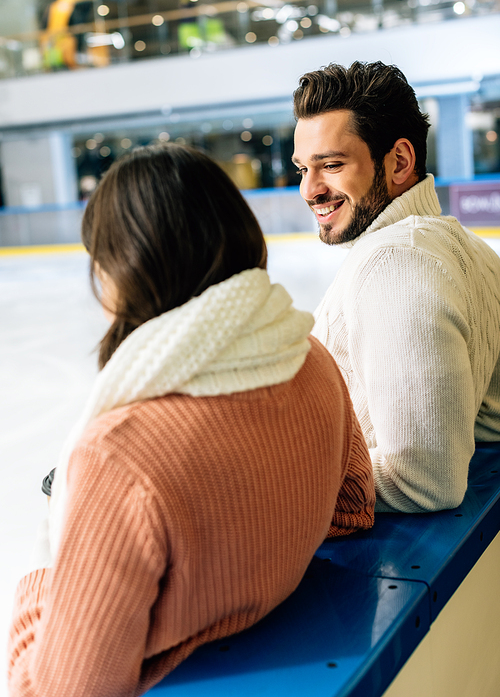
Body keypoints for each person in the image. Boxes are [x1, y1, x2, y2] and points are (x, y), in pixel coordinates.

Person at [8, 143, 375, 697]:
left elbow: (55, 691)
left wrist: (49, 558)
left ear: (127, 270)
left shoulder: (118, 457)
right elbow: (352, 509)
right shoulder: (313, 360)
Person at [292, 61, 500, 514]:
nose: (310, 189)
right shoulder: (466, 247)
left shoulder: (396, 262)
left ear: (399, 161)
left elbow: (427, 479)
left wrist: (281, 482)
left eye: (331, 164)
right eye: (302, 169)